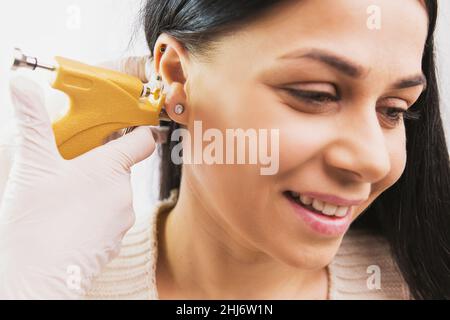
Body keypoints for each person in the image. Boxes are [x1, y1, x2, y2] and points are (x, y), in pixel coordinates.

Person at [0, 0, 449, 300]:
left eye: (394, 110)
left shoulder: (421, 285)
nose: (373, 159)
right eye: (315, 94)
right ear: (175, 75)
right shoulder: (57, 278)